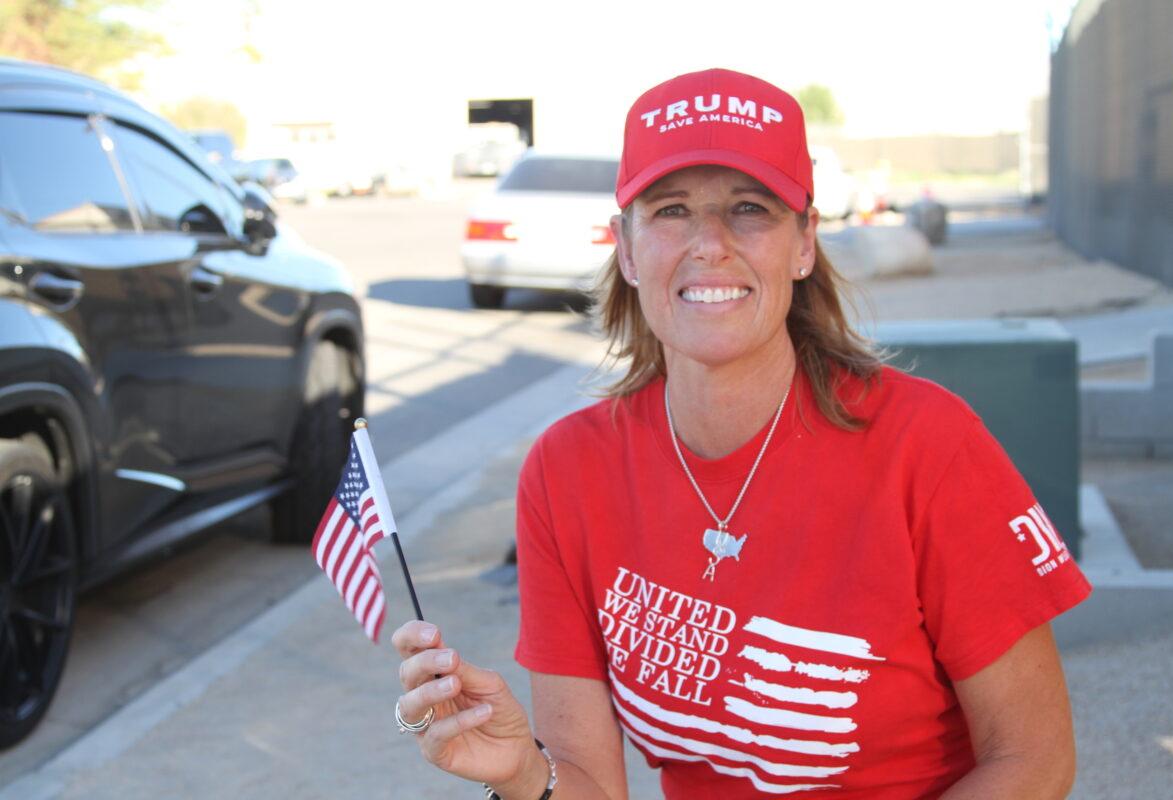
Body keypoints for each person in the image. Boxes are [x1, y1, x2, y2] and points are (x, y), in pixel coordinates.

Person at [392, 68, 1091, 799]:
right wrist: (527, 774)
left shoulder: (927, 442)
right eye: (671, 210)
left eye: (750, 208)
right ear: (627, 250)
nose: (710, 244)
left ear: (803, 244)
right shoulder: (567, 470)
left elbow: (1034, 761)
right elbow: (590, 784)